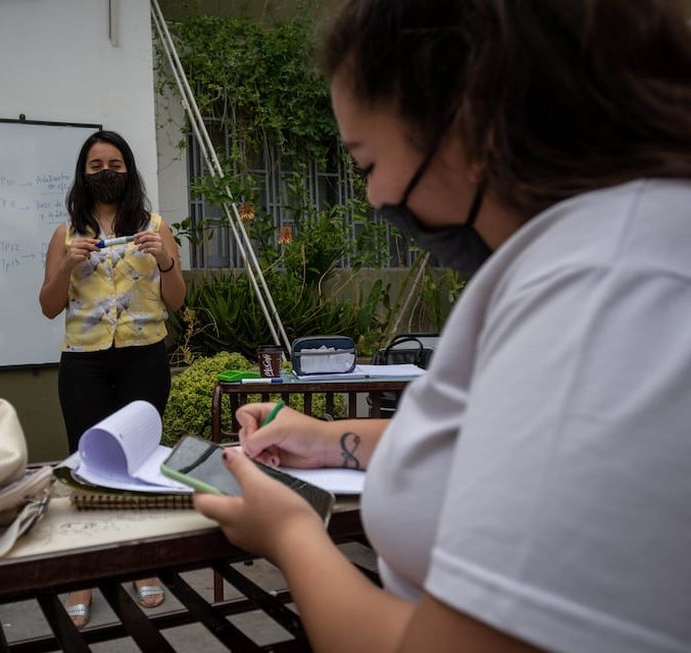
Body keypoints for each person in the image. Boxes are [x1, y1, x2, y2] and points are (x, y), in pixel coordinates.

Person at [192, 1, 691, 652]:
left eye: (368, 164)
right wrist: (325, 438)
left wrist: (289, 532)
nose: (373, 198)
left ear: (469, 120)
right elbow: (501, 437)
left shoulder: (604, 292)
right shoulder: (602, 251)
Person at [39, 130, 186, 627]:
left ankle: (140, 565)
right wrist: (67, 264)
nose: (107, 172)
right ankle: (83, 572)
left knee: (138, 461)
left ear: (129, 171)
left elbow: (177, 299)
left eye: (115, 164)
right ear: (83, 174)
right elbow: (48, 306)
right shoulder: (64, 235)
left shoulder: (155, 227)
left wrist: (164, 259)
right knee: (87, 463)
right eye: (97, 165)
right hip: (84, 361)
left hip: (144, 358)